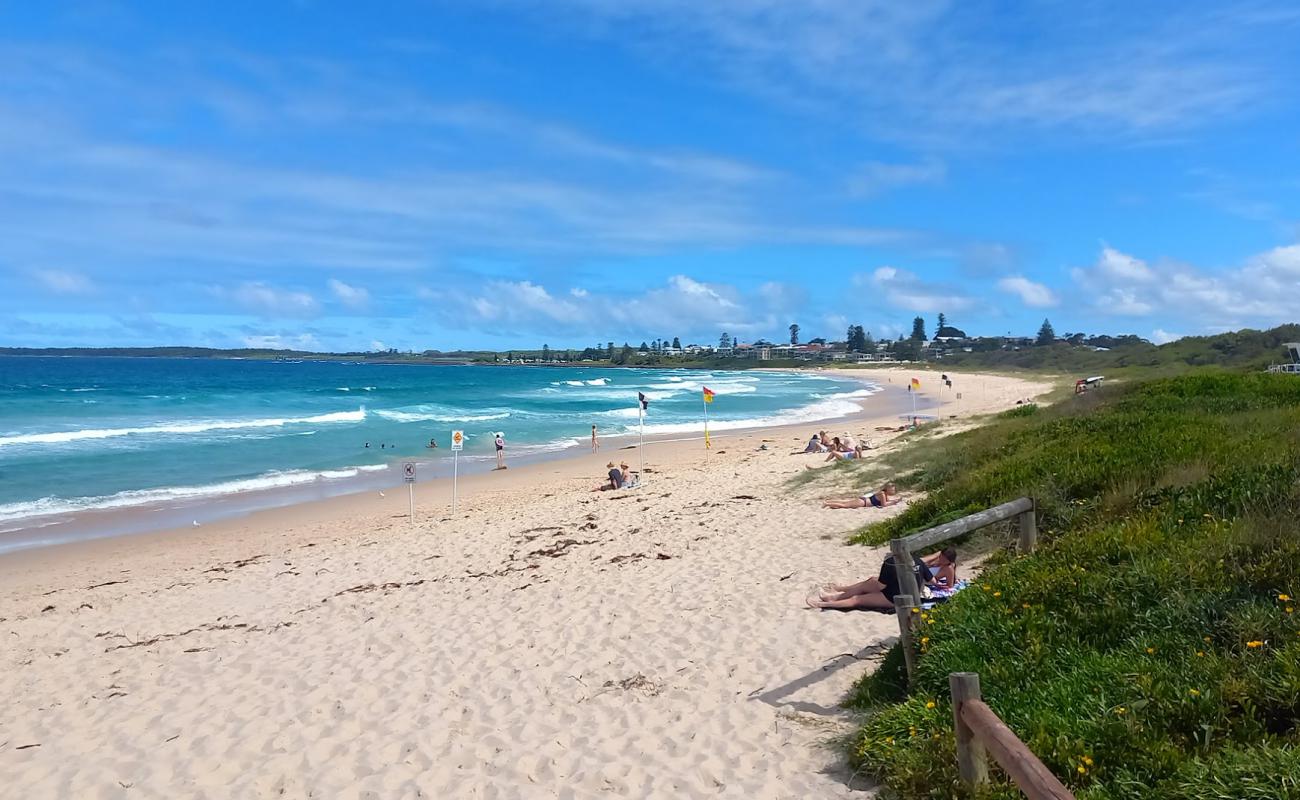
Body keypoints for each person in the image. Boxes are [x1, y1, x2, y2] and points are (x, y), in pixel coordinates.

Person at [807, 548, 955, 610]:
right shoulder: (918, 561)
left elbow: (881, 586)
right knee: (868, 583)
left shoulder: (889, 563)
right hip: (906, 591)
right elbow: (931, 581)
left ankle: (825, 604)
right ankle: (833, 596)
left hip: (896, 596)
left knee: (858, 598)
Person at [822, 482, 898, 509]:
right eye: (892, 490)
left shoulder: (884, 494)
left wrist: (894, 501)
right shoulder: (882, 494)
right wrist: (893, 502)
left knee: (845, 502)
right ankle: (827, 503)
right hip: (863, 502)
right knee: (844, 505)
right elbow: (884, 504)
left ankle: (829, 502)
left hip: (863, 500)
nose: (893, 491)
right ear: (887, 489)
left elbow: (887, 501)